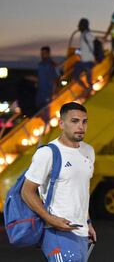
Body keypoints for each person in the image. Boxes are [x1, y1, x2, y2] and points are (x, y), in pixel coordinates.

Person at [21, 102, 96, 262]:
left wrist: (87, 222)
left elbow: (81, 191)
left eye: (84, 121)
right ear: (61, 123)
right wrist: (50, 219)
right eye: (74, 121)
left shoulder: (88, 151)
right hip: (57, 232)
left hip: (81, 232)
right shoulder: (48, 153)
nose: (81, 126)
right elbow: (26, 191)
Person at [73, 18, 96, 98]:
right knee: (77, 76)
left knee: (88, 78)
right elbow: (86, 48)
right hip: (83, 61)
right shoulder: (83, 34)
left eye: (80, 25)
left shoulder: (87, 34)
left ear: (83, 25)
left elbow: (95, 40)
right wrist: (79, 52)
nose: (78, 26)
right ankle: (87, 89)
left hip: (88, 61)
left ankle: (89, 91)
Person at [36, 46, 58, 122]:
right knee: (39, 109)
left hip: (47, 91)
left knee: (46, 109)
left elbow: (55, 79)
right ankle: (46, 123)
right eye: (41, 53)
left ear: (48, 54)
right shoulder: (41, 64)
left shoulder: (51, 64)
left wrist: (54, 91)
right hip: (40, 90)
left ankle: (47, 124)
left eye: (44, 53)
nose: (42, 54)